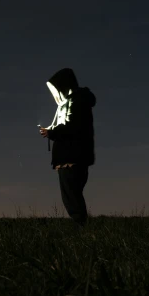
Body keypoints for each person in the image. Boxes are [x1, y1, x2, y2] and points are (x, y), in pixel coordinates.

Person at [39, 68, 96, 227]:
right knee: (73, 194)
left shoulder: (76, 102)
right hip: (74, 156)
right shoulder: (76, 101)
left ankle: (81, 227)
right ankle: (82, 226)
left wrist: (52, 132)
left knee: (71, 195)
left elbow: (72, 127)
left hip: (72, 156)